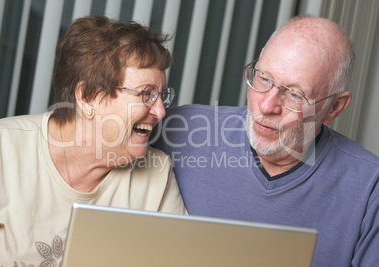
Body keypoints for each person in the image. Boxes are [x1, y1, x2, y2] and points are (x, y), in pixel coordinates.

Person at [152, 15, 379, 266]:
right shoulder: (176, 129)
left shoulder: (370, 188)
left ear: (334, 107)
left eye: (294, 94)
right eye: (263, 78)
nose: (267, 105)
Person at [0, 16, 186, 265]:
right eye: (146, 94)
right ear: (88, 96)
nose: (161, 112)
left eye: (162, 95)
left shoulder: (157, 175)